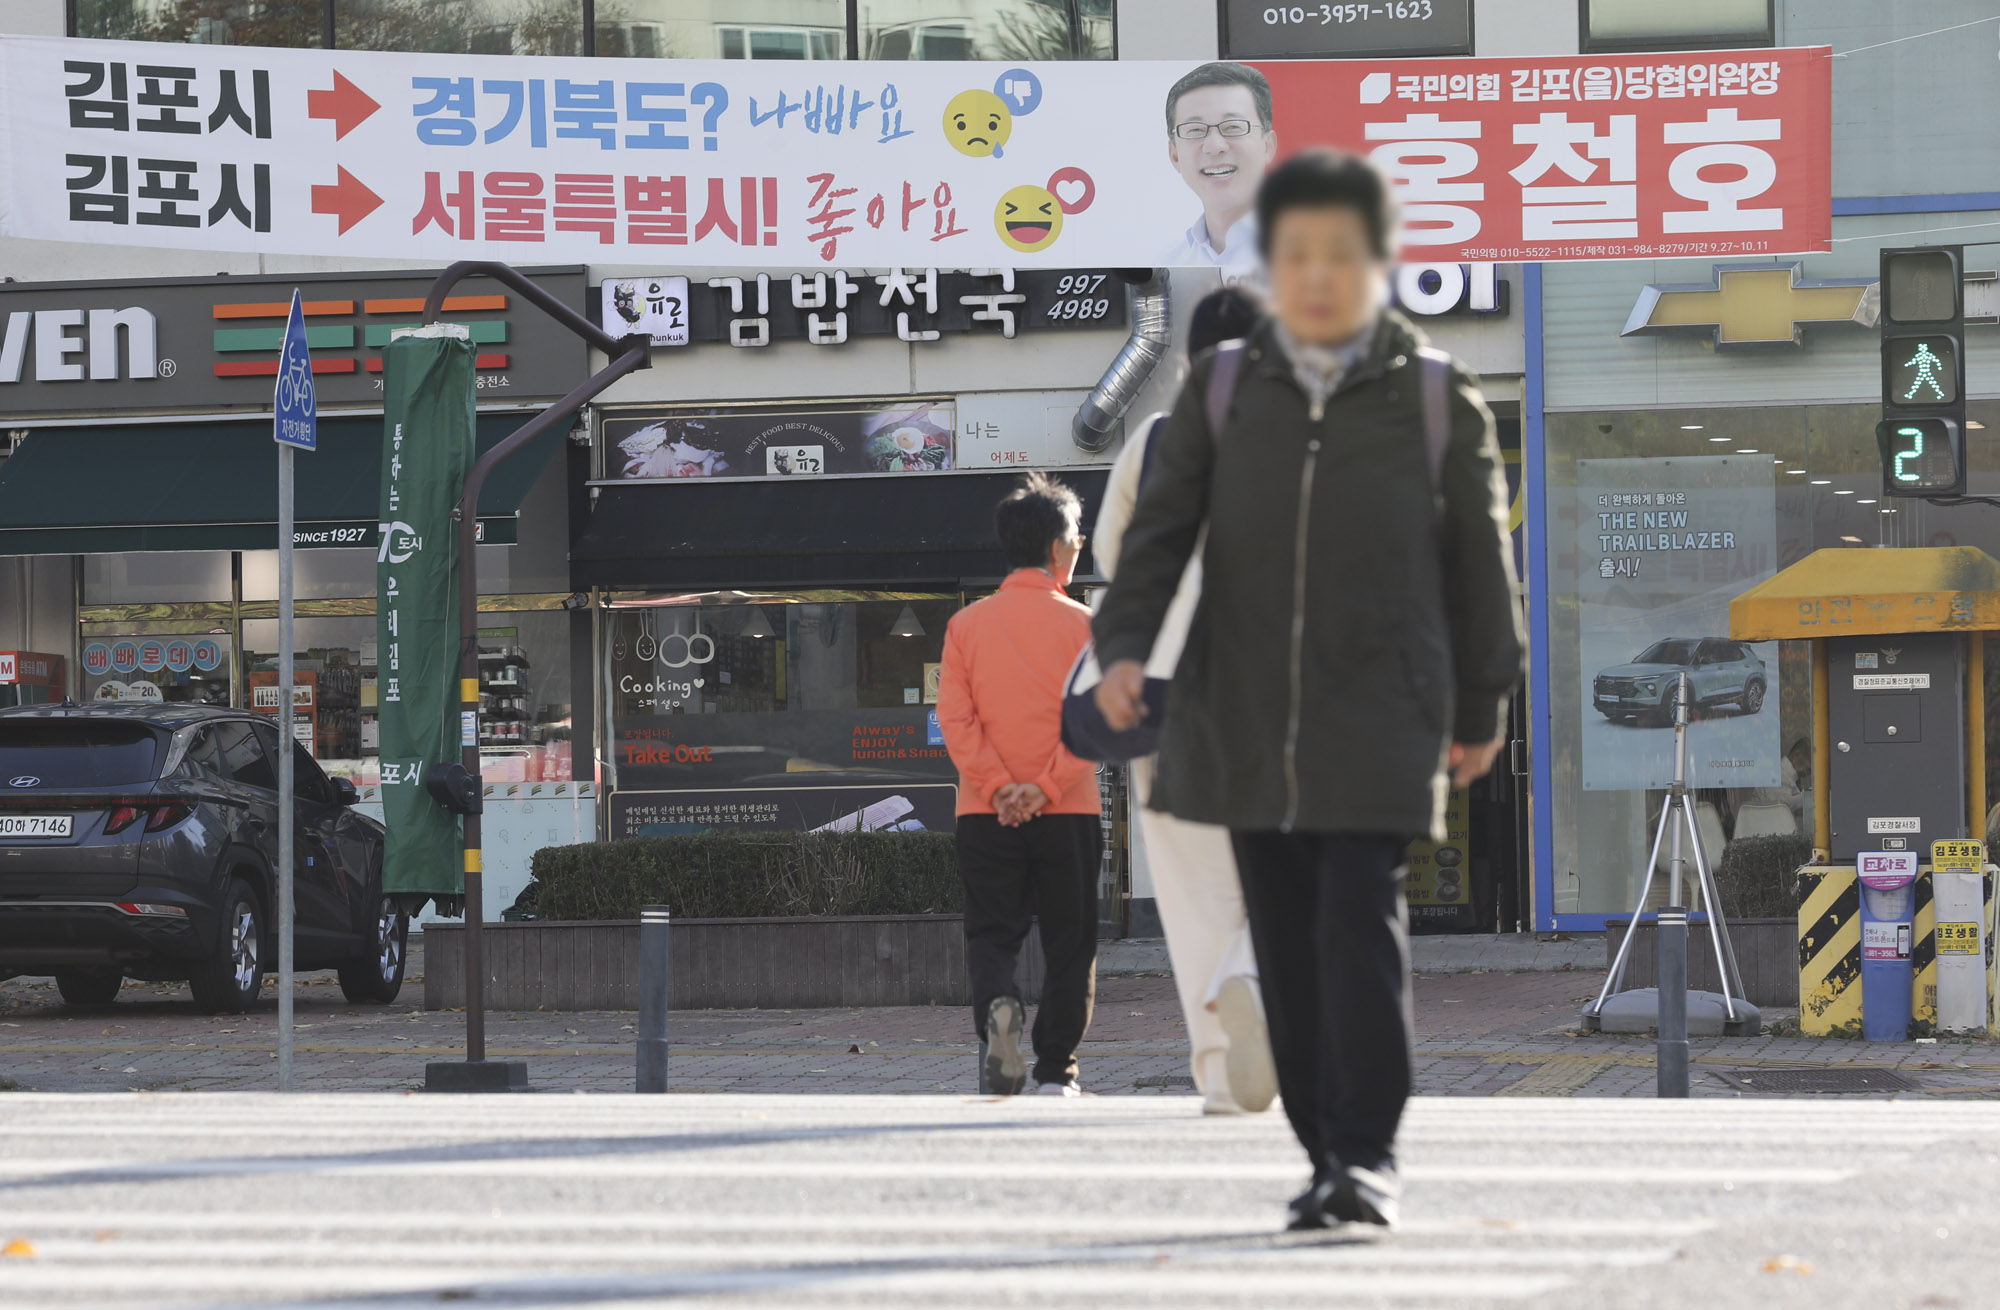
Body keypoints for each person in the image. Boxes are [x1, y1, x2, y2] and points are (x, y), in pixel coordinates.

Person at [1092, 149, 1524, 1230]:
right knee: (1285, 943)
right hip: (1239, 713)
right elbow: (1156, 536)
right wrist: (1122, 647)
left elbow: (1481, 565)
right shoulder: (1228, 392)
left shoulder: (1433, 397)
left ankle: (1365, 1151)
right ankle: (1321, 1150)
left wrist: (1481, 706)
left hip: (1377, 713)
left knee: (1354, 921)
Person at [1093, 285, 1276, 1117]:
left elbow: (1112, 556)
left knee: (1192, 888)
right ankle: (1255, 975)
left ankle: (1218, 1074)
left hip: (1163, 685)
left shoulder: (1154, 441)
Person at [936, 473, 1100, 1097]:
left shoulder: (968, 627)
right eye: (1078, 537)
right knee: (1071, 939)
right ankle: (1057, 1066)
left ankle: (999, 1016)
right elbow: (1098, 722)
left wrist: (1000, 786)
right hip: (1070, 810)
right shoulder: (1087, 627)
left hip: (985, 811)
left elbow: (955, 718)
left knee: (992, 933)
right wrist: (1046, 787)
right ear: (1060, 549)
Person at [1160, 62, 1277, 280]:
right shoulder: (1168, 263)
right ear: (1174, 154)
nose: (1214, 147)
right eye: (1195, 130)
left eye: (1233, 126)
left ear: (1267, 146)